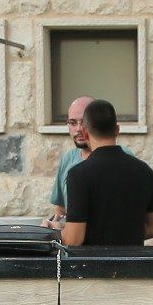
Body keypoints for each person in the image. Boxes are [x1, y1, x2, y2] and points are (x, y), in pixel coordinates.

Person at [60, 99, 153, 249]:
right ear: (117, 130)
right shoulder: (144, 171)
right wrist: (122, 233)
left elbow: (74, 239)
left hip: (93, 262)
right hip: (135, 262)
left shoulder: (78, 175)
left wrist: (55, 232)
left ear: (86, 134)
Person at [46, 95, 94, 228]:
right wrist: (54, 225)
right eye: (72, 123)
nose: (79, 129)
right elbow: (61, 210)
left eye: (84, 122)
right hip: (73, 239)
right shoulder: (68, 159)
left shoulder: (121, 157)